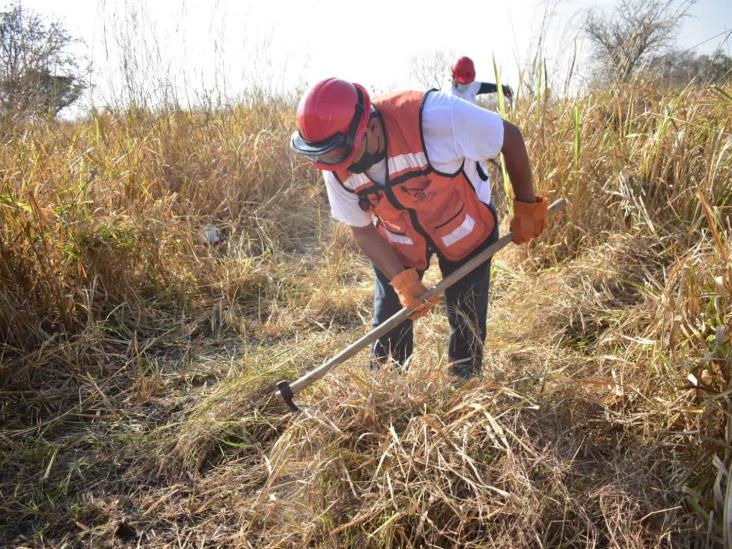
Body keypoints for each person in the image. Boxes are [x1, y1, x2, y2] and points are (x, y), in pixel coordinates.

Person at [290, 78, 548, 379]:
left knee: (466, 317)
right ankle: (387, 387)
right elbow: (362, 230)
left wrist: (526, 207)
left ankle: (462, 385)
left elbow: (510, 137)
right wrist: (401, 281)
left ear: (370, 128)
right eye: (321, 156)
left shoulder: (435, 118)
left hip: (464, 227)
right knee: (389, 321)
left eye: (335, 154)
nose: (333, 164)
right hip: (399, 240)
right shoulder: (333, 165)